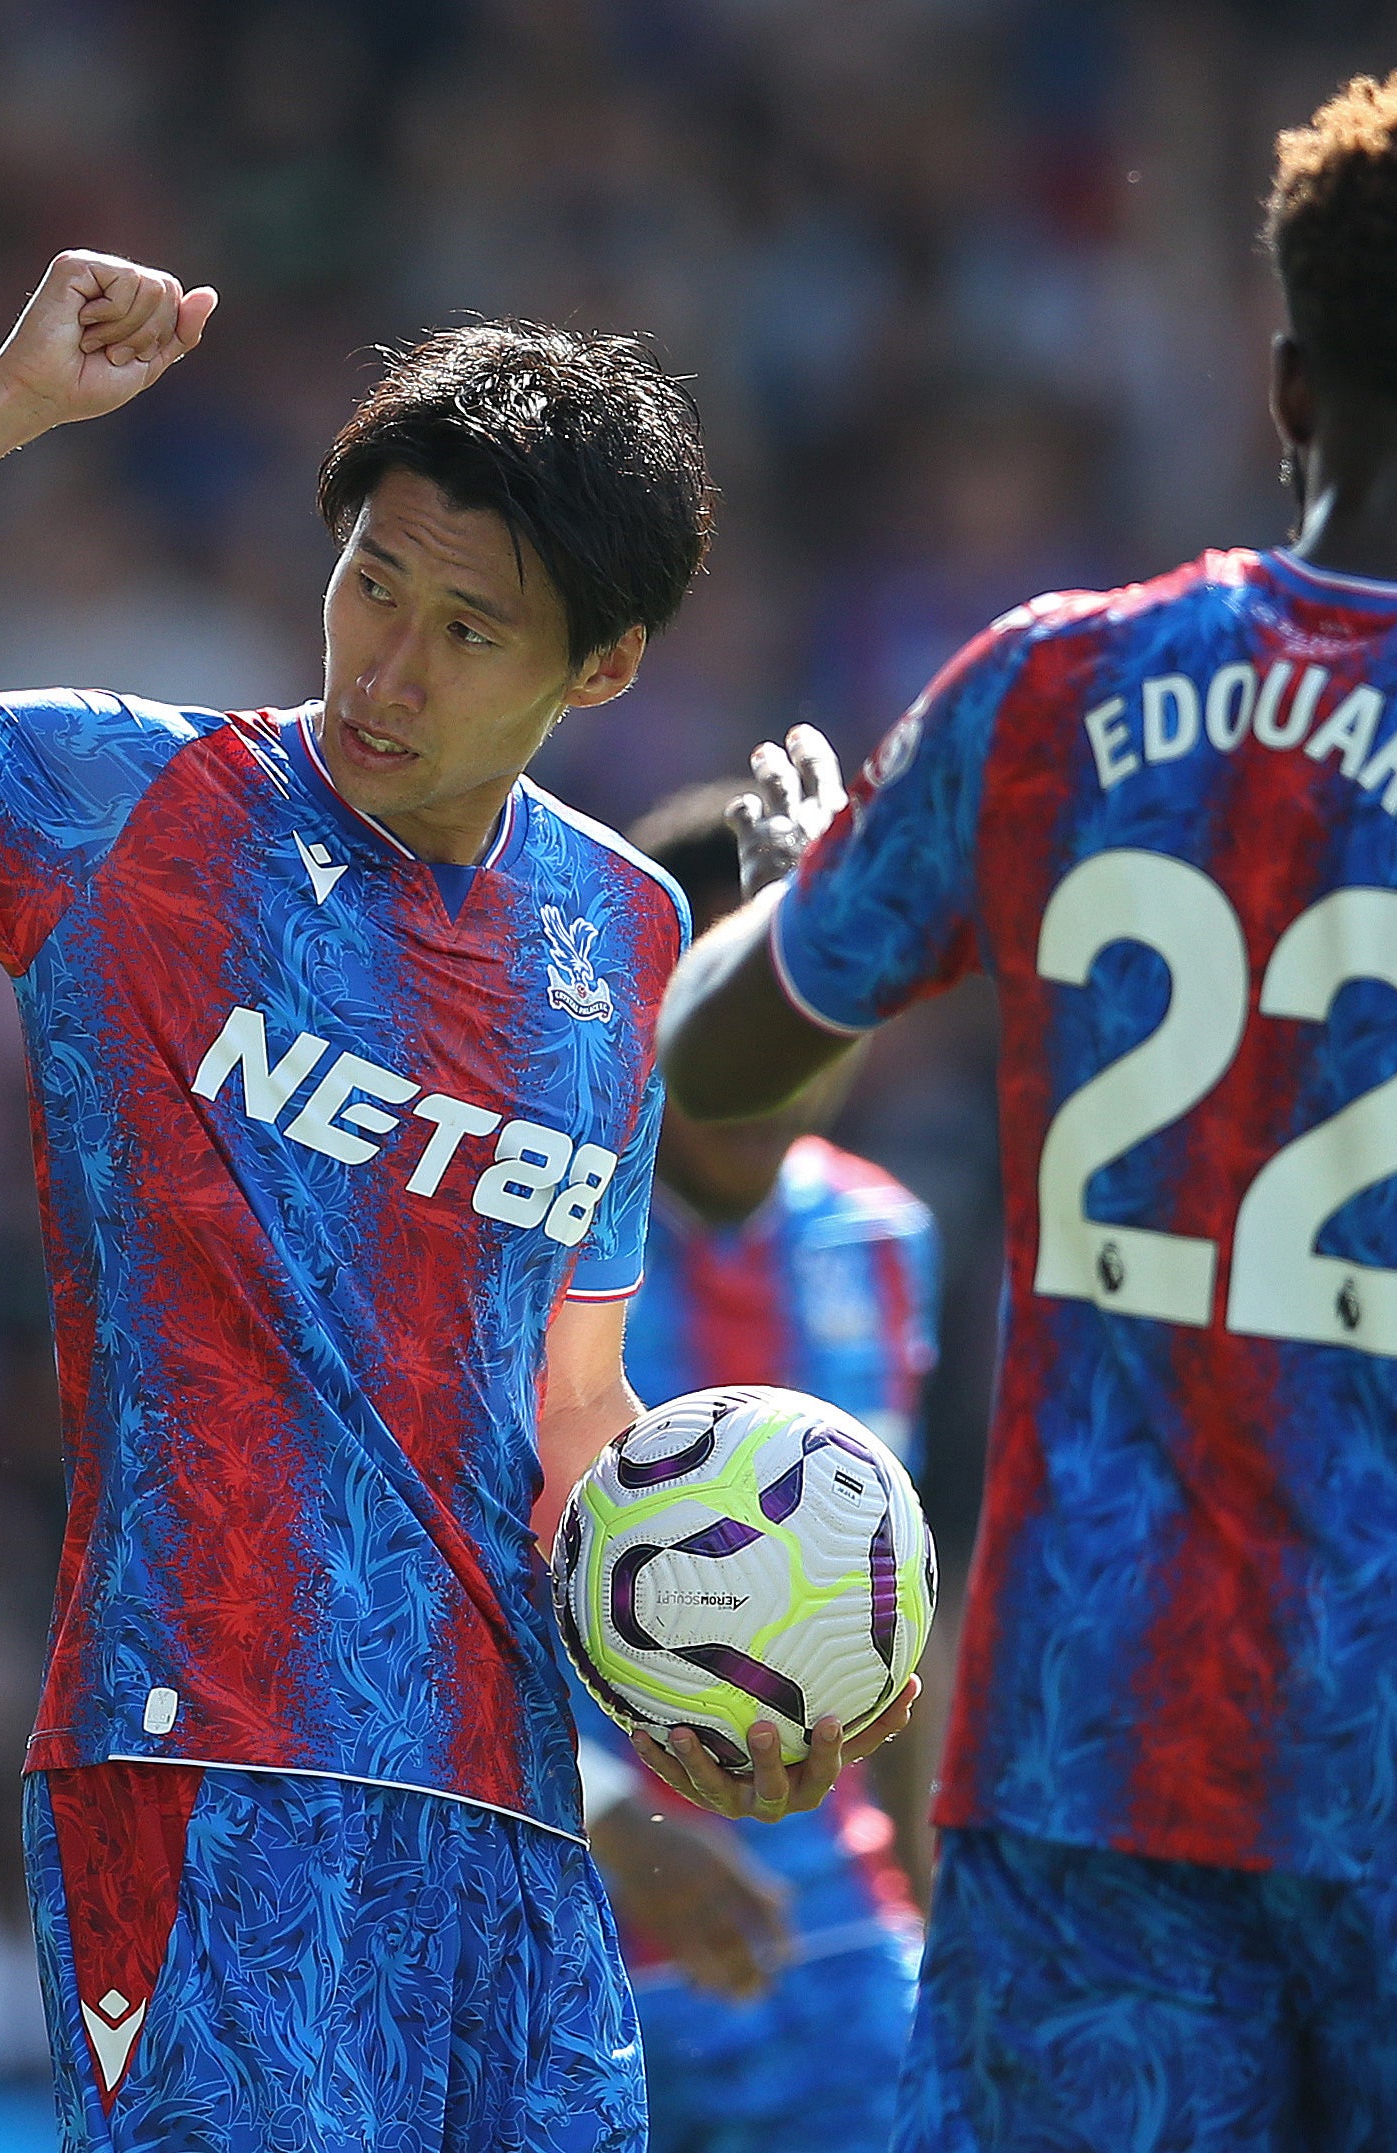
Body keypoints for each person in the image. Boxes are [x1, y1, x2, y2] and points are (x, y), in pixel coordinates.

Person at [0, 254, 909, 2148]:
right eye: (369, 581)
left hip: (511, 1817)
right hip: (201, 1771)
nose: (385, 664)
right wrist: (2, 406)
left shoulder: (624, 933)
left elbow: (569, 1408)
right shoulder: (131, 812)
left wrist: (718, 1676)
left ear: (604, 665)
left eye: (468, 628)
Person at [650, 67, 1397, 2153]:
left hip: (1089, 1750)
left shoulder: (1045, 688)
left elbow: (715, 1061)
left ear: (1283, 384)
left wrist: (817, 876)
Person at [579, 782, 941, 2153]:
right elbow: (427, 1591)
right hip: (576, 1936)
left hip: (838, 1945)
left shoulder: (886, 1236)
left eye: (810, 1006)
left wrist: (916, 1875)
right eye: (731, 999)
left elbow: (910, 1586)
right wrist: (611, 1815)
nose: (771, 1053)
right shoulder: (537, 1231)